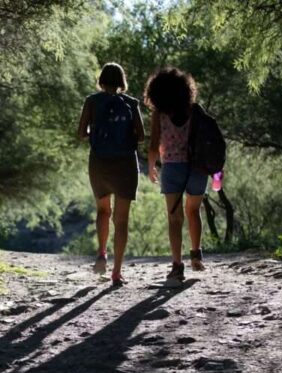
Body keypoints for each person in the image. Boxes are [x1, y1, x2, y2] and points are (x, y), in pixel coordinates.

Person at [77, 62, 144, 286]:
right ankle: (117, 272)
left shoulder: (92, 101)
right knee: (122, 220)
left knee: (103, 211)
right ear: (122, 81)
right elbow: (141, 136)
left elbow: (80, 133)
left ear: (102, 80)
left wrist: (96, 132)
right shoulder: (131, 103)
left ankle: (102, 253)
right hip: (125, 164)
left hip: (99, 163)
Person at [144, 67, 207, 287]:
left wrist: (152, 167)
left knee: (174, 218)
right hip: (197, 168)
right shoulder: (194, 110)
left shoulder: (159, 114)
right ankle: (196, 254)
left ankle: (177, 265)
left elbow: (153, 146)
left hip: (171, 168)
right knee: (193, 211)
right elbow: (207, 141)